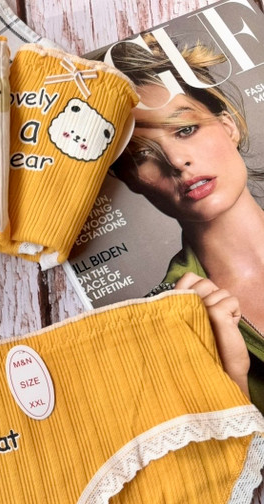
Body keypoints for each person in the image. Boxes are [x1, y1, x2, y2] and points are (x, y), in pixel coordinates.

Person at [106, 37, 264, 410]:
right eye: (143, 154)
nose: (177, 161)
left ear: (228, 126)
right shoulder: (165, 320)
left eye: (185, 129)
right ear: (128, 178)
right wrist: (232, 380)